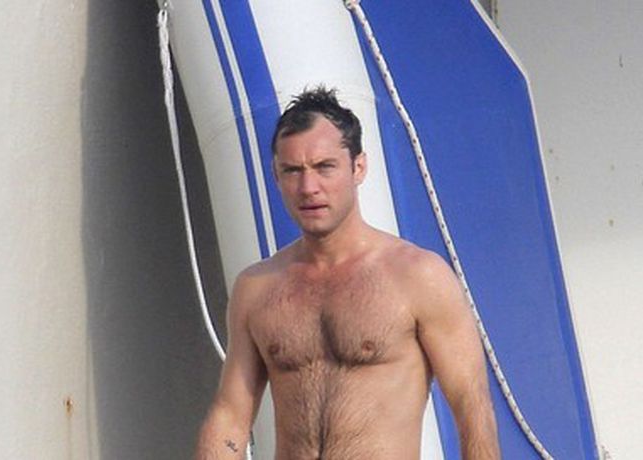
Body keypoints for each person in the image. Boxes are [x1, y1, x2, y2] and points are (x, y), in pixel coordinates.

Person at [195, 87, 500, 459]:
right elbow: (230, 416)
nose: (309, 188)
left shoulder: (418, 276)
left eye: (324, 167)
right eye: (292, 171)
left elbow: (472, 408)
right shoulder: (257, 288)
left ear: (358, 167)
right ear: (276, 176)